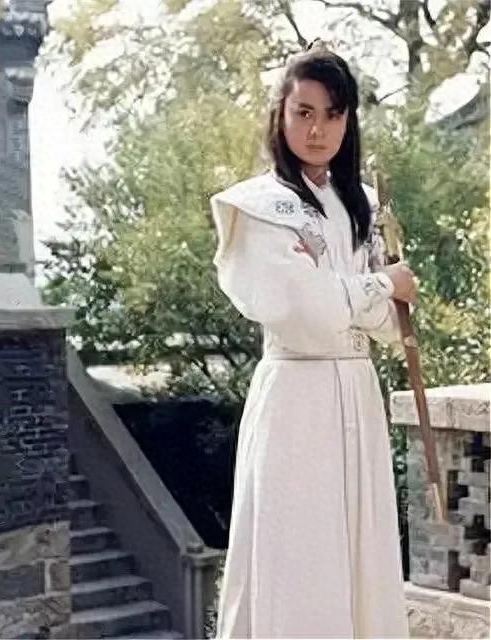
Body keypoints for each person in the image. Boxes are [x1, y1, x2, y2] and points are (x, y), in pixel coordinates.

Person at [209, 45, 415, 639]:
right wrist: (381, 285)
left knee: (360, 551)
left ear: (348, 121)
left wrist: (366, 295)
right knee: (299, 552)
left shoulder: (362, 205)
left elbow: (389, 325)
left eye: (332, 114)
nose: (317, 129)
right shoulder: (257, 209)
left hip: (357, 391)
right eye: (303, 112)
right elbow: (303, 310)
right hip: (296, 399)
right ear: (281, 114)